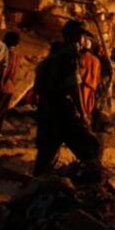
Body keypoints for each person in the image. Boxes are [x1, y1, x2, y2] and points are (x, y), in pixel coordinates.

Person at [33, 21, 101, 179]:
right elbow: (73, 85)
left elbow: (38, 87)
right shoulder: (69, 55)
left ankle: (37, 185)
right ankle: (91, 185)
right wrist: (83, 112)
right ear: (75, 36)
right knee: (91, 146)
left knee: (46, 154)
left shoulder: (49, 58)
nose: (82, 40)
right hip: (62, 109)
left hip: (47, 109)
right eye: (81, 36)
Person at [0, 31, 22, 146]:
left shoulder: (3, 52)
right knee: (0, 115)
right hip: (9, 88)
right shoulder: (16, 55)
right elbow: (13, 73)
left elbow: (4, 71)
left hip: (1, 87)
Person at [78, 37, 101, 119]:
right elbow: (98, 78)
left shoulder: (81, 58)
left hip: (83, 87)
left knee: (81, 110)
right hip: (92, 88)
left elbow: (79, 74)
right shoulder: (97, 60)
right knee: (88, 110)